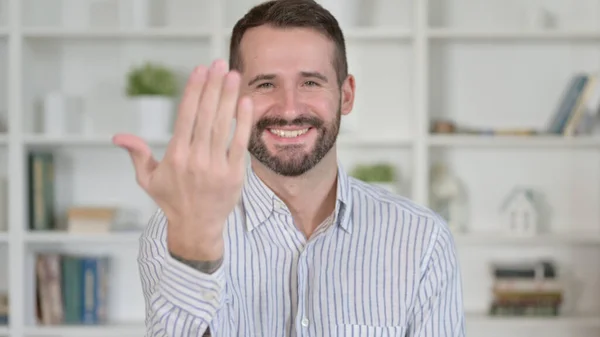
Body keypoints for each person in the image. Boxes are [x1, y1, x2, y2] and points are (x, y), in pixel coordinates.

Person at [112, 0, 466, 336]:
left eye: (310, 82)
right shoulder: (178, 231)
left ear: (346, 95)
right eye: (266, 84)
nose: (289, 107)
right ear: (235, 100)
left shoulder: (421, 240)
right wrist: (196, 253)